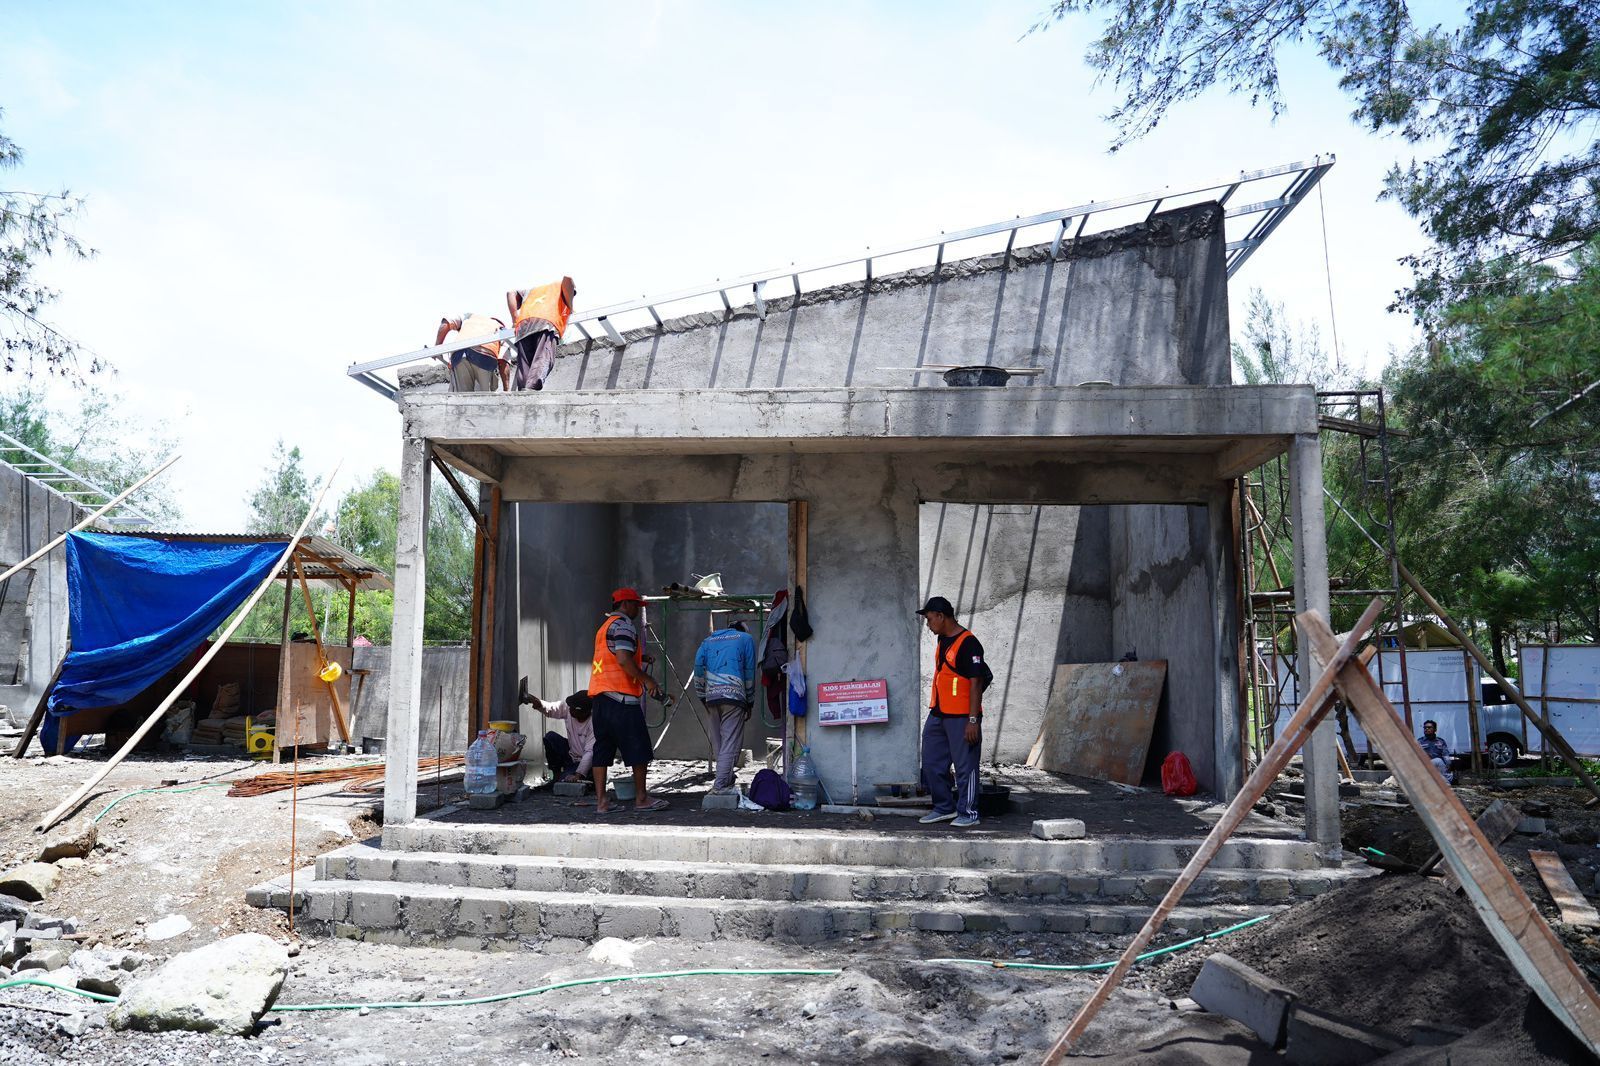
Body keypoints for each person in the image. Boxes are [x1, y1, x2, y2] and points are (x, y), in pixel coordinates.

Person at [588, 587, 669, 813]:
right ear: (625, 604)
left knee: (602, 750)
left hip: (601, 699)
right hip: (622, 700)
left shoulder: (604, 627)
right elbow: (623, 659)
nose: (637, 610)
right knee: (638, 748)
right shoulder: (624, 625)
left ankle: (602, 803)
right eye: (636, 605)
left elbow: (613, 655)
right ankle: (641, 799)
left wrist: (640, 657)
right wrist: (648, 680)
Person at [916, 595, 988, 828]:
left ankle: (968, 812)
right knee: (931, 761)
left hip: (962, 717)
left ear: (941, 616)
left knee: (965, 766)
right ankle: (944, 807)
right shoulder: (943, 639)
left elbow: (977, 682)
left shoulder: (969, 643)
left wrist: (973, 720)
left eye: (929, 619)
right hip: (939, 712)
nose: (928, 625)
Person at [693, 620, 757, 794]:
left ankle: (726, 779)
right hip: (734, 696)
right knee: (730, 743)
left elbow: (698, 668)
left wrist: (702, 696)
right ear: (742, 631)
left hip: (711, 696)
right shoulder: (745, 639)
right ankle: (720, 786)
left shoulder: (708, 641)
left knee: (718, 742)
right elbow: (749, 671)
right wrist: (750, 702)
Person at [505, 276, 576, 391]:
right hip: (546, 322)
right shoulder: (558, 286)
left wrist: (514, 320)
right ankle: (531, 388)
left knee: (525, 364)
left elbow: (510, 292)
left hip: (524, 325)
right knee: (543, 357)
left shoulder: (529, 291)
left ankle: (523, 392)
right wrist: (570, 307)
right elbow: (568, 278)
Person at [523, 689, 595, 783]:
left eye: (573, 709)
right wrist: (538, 703)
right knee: (551, 738)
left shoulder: (593, 724)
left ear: (584, 712)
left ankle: (583, 776)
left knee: (564, 782)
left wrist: (578, 775)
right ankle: (556, 775)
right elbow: (552, 708)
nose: (570, 710)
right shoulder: (569, 709)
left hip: (584, 763)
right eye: (570, 707)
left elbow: (589, 753)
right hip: (571, 755)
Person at [433, 313, 508, 392]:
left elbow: (446, 322)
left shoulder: (469, 318)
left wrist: (437, 347)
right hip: (484, 356)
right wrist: (507, 391)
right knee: (486, 396)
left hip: (459, 354)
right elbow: (503, 362)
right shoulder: (502, 329)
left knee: (462, 396)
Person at [1418, 719, 1454, 784]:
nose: (1426, 729)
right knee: (1438, 760)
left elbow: (1445, 755)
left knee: (1440, 765)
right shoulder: (1419, 741)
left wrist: (1448, 765)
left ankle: (1445, 781)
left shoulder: (1440, 741)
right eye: (1425, 728)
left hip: (1439, 767)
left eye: (1429, 727)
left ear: (1435, 729)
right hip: (1425, 766)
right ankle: (1446, 782)